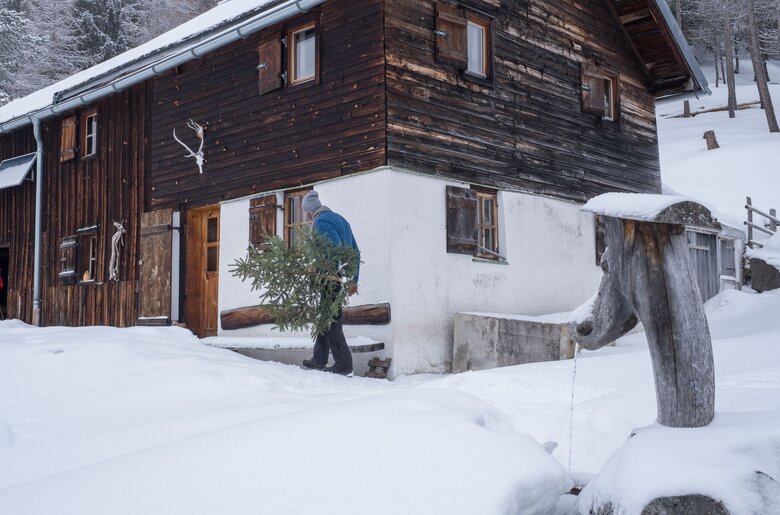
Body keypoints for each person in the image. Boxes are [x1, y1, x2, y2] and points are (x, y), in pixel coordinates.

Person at [300, 190, 360, 375]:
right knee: (324, 318)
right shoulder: (340, 219)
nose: (307, 218)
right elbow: (355, 252)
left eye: (306, 214)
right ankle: (319, 359)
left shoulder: (321, 221)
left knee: (331, 321)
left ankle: (344, 364)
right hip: (339, 278)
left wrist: (322, 270)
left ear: (310, 212)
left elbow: (332, 248)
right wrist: (352, 279)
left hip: (330, 279)